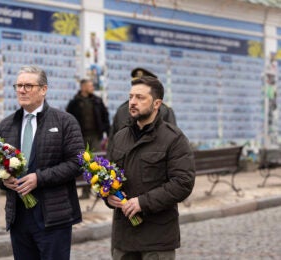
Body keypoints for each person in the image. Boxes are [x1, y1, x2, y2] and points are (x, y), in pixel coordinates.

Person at [0, 66, 84, 260]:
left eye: (28, 86)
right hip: (19, 217)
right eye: (19, 85)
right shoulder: (6, 125)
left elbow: (76, 163)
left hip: (53, 217)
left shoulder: (65, 121)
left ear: (43, 89)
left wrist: (39, 178)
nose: (22, 90)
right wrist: (3, 180)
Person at [107, 76, 195, 260]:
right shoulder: (120, 136)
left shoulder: (173, 138)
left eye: (140, 98)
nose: (132, 102)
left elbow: (182, 183)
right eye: (131, 97)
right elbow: (108, 176)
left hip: (157, 239)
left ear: (157, 104)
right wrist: (108, 196)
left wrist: (142, 202)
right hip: (123, 239)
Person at [66, 79, 110, 152]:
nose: (93, 88)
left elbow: (105, 117)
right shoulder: (74, 103)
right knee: (82, 159)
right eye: (90, 86)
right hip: (80, 137)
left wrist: (108, 133)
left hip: (96, 136)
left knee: (97, 159)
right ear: (83, 87)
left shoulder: (97, 101)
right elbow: (68, 120)